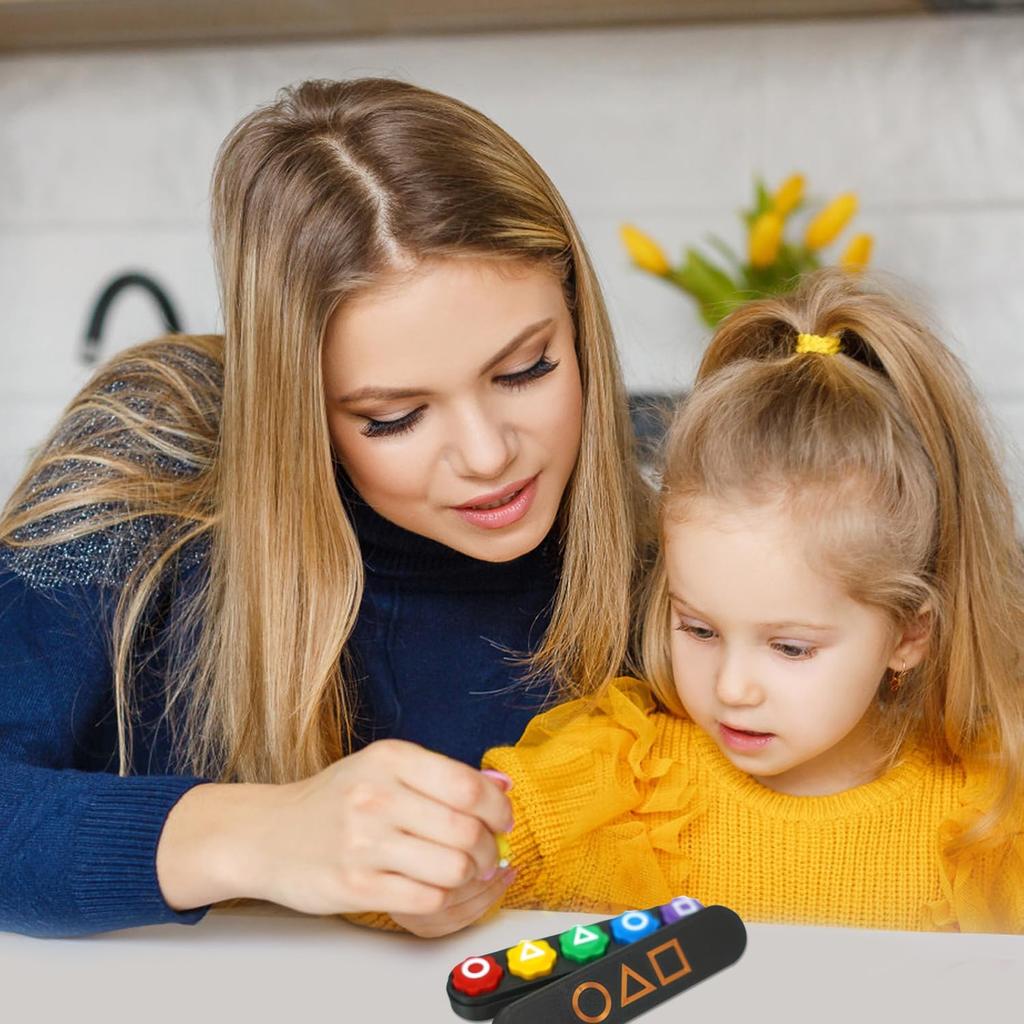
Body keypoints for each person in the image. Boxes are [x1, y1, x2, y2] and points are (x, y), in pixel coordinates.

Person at [0, 78, 651, 938]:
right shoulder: (153, 441)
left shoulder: (668, 528)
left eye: (527, 369)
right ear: (296, 407)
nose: (490, 455)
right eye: (394, 416)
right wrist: (263, 835)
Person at [470, 270, 1023, 933]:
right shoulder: (618, 778)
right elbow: (388, 891)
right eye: (698, 629)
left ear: (909, 632)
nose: (732, 688)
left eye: (790, 647)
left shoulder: (993, 815)